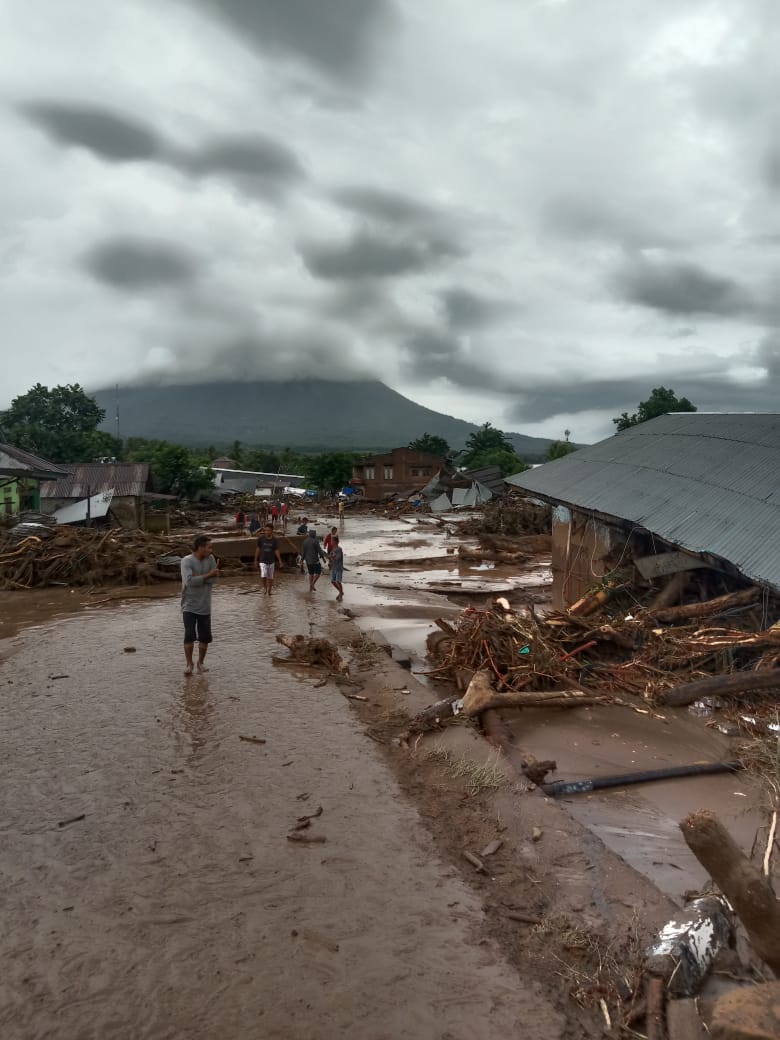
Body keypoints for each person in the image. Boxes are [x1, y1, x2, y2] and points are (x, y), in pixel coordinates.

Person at [180, 534, 219, 675]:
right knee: (189, 636)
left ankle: (200, 663)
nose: (211, 550)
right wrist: (208, 575)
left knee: (205, 638)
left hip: (205, 605)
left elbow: (215, 580)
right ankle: (189, 664)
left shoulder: (211, 559)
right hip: (189, 605)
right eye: (209, 547)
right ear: (201, 548)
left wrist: (199, 577)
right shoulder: (186, 561)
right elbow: (189, 582)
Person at [254, 522, 283, 596]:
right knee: (263, 575)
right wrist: (255, 560)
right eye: (265, 530)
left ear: (272, 531)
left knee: (270, 577)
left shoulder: (274, 540)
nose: (267, 532)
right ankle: (265, 588)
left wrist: (280, 561)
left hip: (271, 561)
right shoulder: (261, 539)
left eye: (268, 530)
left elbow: (276, 550)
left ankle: (269, 590)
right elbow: (258, 549)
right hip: (262, 560)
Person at [329, 535, 344, 602]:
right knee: (333, 581)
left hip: (338, 568)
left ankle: (340, 594)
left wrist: (332, 557)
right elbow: (331, 557)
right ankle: (341, 592)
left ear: (335, 542)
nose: (331, 542)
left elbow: (338, 558)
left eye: (332, 540)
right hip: (334, 567)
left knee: (338, 581)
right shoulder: (333, 549)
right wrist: (330, 562)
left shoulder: (339, 549)